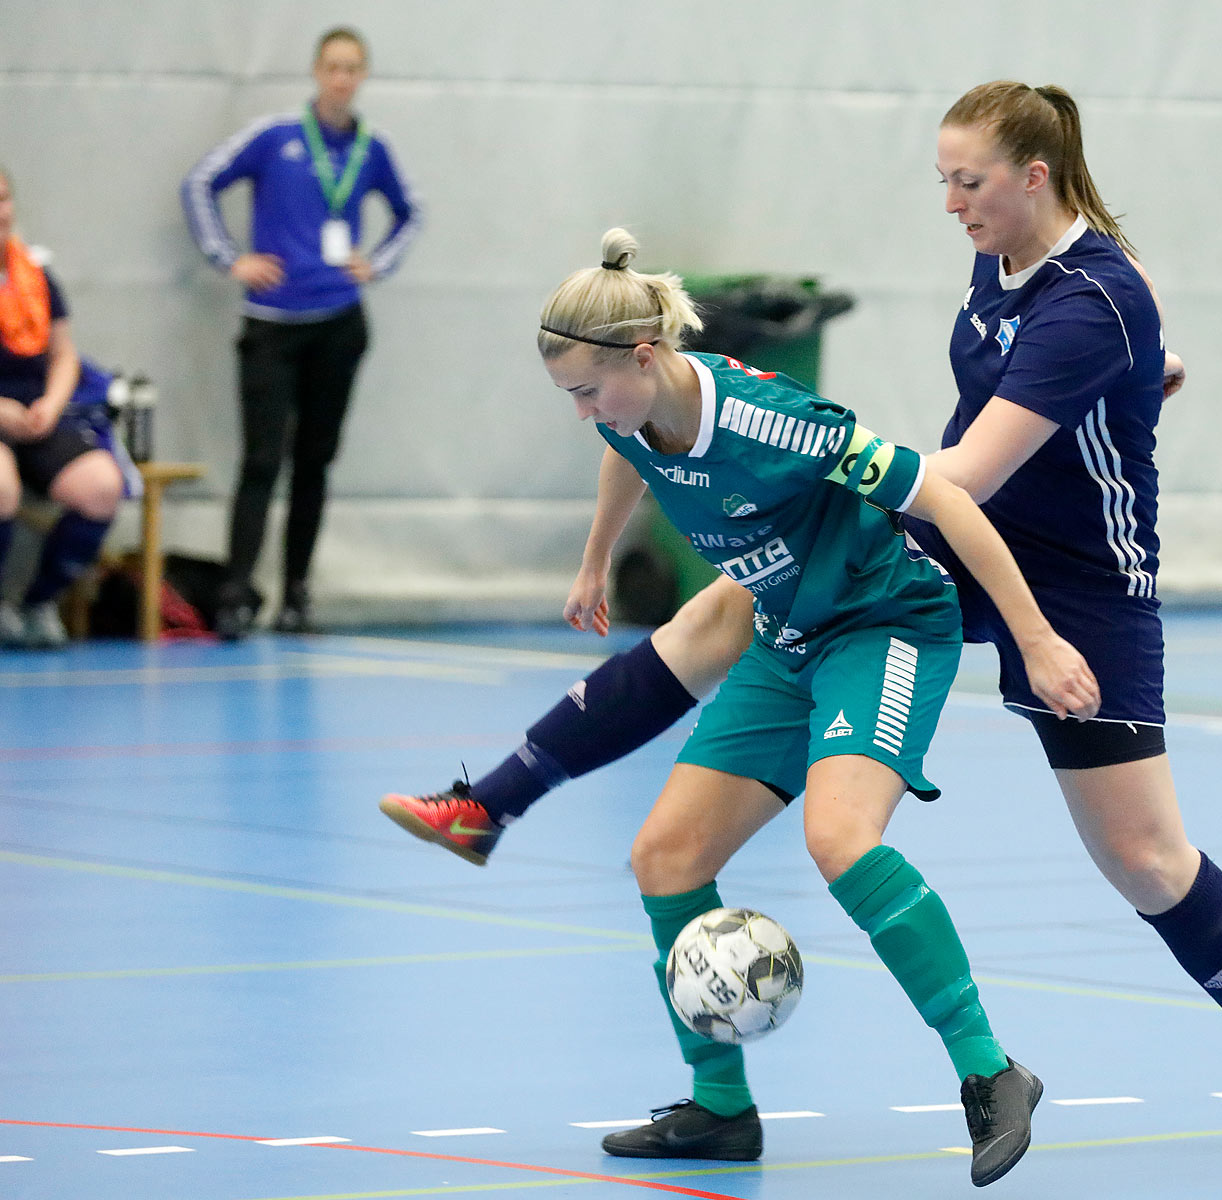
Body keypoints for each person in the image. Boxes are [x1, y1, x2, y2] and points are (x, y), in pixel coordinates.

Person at [382, 81, 1222, 1158]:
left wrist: (830, 472)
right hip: (961, 530)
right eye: (943, 180)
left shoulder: (1092, 302)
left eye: (969, 182)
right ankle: (495, 804)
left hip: (1079, 583)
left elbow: (965, 473)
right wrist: (1142, 378)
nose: (950, 202)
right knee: (744, 598)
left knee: (1144, 858)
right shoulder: (1002, 265)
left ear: (1031, 179)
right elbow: (1071, 380)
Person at [402, 226, 1096, 1184]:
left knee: (839, 840)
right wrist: (597, 556)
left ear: (646, 355)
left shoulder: (776, 421)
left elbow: (947, 501)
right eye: (569, 396)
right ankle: (721, 1109)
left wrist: (1038, 638)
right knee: (665, 858)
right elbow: (625, 446)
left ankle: (991, 1071)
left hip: (882, 624)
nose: (583, 414)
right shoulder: (628, 407)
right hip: (785, 632)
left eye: (589, 390)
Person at [180, 26, 421, 637]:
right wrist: (228, 257)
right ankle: (236, 594)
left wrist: (378, 263)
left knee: (315, 462)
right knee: (263, 461)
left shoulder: (372, 146)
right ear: (316, 71)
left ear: (363, 75)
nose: (342, 78)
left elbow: (409, 212)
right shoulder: (276, 136)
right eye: (333, 67)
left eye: (353, 68)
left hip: (338, 323)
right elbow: (199, 182)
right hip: (271, 325)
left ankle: (296, 596)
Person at [0, 166, 126, 649]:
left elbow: (64, 353)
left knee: (100, 486)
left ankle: (38, 602)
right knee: (2, 491)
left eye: (4, 199)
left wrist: (51, 405)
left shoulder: (34, 273)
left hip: (36, 415)